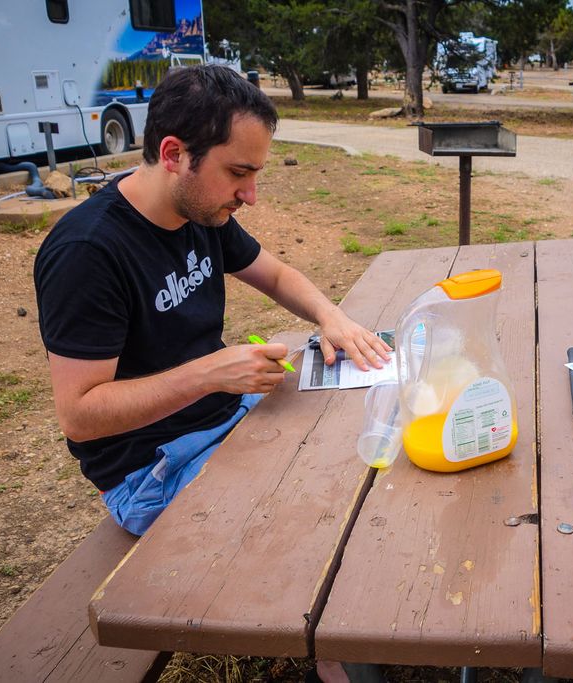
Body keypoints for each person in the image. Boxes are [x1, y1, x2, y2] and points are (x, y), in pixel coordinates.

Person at [34, 65, 391, 539]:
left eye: (255, 174)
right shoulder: (88, 252)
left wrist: (332, 317)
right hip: (152, 470)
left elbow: (278, 274)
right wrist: (211, 373)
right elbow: (79, 417)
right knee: (326, 513)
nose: (251, 196)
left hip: (226, 413)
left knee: (369, 434)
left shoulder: (201, 210)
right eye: (238, 173)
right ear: (174, 154)